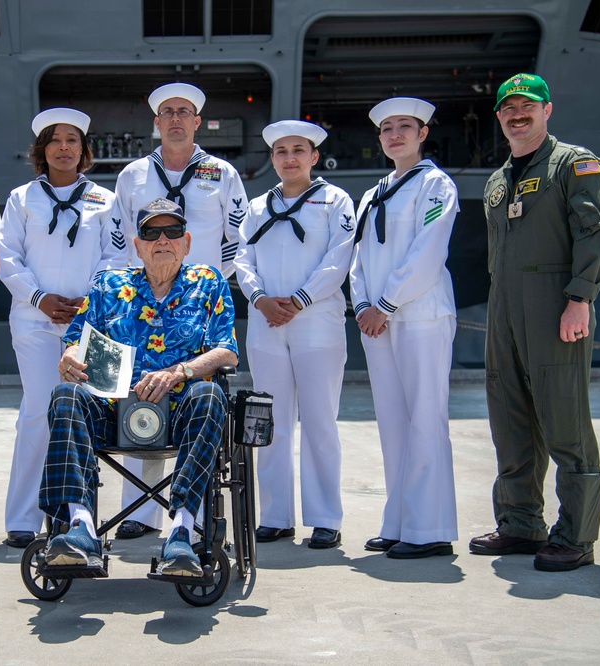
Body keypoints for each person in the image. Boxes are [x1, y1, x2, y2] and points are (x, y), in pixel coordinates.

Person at [39, 198, 238, 577]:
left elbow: (227, 351)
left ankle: (180, 531)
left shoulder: (209, 282)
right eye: (151, 232)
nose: (162, 239)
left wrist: (179, 372)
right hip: (114, 412)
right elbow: (75, 338)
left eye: (172, 232)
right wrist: (68, 357)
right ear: (137, 245)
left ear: (187, 242)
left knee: (210, 395)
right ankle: (80, 527)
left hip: (182, 411)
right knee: (66, 395)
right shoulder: (108, 284)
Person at [470, 73, 600, 572]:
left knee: (565, 424)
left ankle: (575, 535)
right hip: (505, 312)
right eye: (509, 108)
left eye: (527, 106)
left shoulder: (574, 165)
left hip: (555, 309)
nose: (518, 114)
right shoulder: (497, 181)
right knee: (509, 420)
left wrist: (580, 299)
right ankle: (520, 523)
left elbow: (595, 235)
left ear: (547, 110)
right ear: (499, 118)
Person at [111, 82, 248, 539]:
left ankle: (192, 516)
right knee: (139, 393)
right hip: (141, 304)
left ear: (196, 122)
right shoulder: (132, 176)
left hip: (196, 305)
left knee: (195, 402)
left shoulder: (222, 173)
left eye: (183, 112)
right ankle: (137, 511)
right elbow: (120, 244)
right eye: (166, 112)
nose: (174, 119)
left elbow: (236, 240)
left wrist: (204, 281)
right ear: (156, 123)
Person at [0, 108, 128, 548]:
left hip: (92, 324)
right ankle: (23, 519)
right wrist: (40, 298)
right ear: (41, 150)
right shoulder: (21, 199)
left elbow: (116, 259)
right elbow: (8, 257)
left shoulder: (105, 201)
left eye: (72, 139)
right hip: (35, 321)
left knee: (87, 414)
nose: (64, 147)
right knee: (38, 410)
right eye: (55, 140)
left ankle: (81, 517)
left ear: (84, 149)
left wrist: (88, 302)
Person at [234, 120, 355, 549]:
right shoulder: (255, 207)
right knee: (271, 423)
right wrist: (260, 298)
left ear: (314, 156)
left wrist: (300, 299)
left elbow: (339, 257)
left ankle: (325, 518)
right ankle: (276, 515)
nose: (290, 158)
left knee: (320, 421)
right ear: (272, 158)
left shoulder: (334, 200)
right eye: (282, 151)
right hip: (266, 323)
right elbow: (242, 259)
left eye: (298, 150)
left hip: (316, 321)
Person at [349, 97, 459, 559]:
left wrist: (386, 304)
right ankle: (399, 521)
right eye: (387, 128)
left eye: (405, 127)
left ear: (422, 134)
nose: (395, 134)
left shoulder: (435, 185)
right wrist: (361, 306)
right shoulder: (373, 193)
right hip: (377, 323)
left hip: (421, 316)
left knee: (424, 420)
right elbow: (359, 258)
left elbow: (427, 252)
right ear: (380, 139)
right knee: (393, 423)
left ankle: (429, 528)